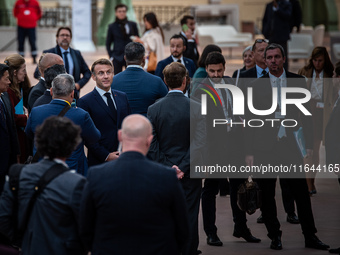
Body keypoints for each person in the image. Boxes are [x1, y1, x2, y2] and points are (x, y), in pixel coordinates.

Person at [244, 43, 329, 250]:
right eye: (269, 57)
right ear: (265, 60)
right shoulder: (256, 85)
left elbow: (306, 116)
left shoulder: (298, 81)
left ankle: (310, 236)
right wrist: (249, 151)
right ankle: (275, 236)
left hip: (291, 145)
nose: (273, 60)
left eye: (276, 57)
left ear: (283, 59)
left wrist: (308, 145)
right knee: (268, 194)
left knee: (301, 193)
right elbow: (249, 120)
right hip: (265, 148)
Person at [79, 114, 189, 255]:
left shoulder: (96, 175)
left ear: (120, 136)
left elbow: (85, 227)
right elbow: (182, 229)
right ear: (149, 140)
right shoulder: (167, 177)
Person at [192, 52, 261, 246]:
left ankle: (241, 227)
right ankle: (211, 232)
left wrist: (248, 150)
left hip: (235, 145)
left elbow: (243, 117)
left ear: (224, 67)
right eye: (212, 71)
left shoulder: (232, 84)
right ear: (206, 69)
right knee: (210, 190)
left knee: (238, 187)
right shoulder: (200, 91)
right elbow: (200, 128)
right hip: (214, 148)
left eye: (219, 70)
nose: (215, 74)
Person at [0, 116, 87, 255]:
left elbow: (3, 218)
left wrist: (23, 241)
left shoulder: (17, 174)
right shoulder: (77, 183)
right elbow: (85, 229)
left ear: (39, 141)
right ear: (72, 146)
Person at [148, 62, 205, 255]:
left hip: (163, 173)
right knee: (190, 214)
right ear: (185, 81)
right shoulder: (197, 107)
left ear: (165, 81)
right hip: (190, 172)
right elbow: (200, 142)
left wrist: (169, 168)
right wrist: (182, 167)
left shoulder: (153, 109)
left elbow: (152, 145)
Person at [240, 39, 299, 225]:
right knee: (266, 187)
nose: (271, 58)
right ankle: (268, 219)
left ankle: (292, 212)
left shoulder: (292, 80)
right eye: (264, 52)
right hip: (264, 143)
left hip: (287, 140)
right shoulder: (246, 77)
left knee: (290, 183)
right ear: (260, 56)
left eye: (274, 55)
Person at [25, 74, 100, 176]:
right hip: (73, 170)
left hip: (42, 170)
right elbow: (95, 137)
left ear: (51, 91)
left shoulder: (36, 111)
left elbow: (28, 134)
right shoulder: (81, 115)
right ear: (72, 94)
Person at [298, 46, 337, 195]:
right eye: (315, 60)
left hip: (323, 115)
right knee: (309, 149)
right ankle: (309, 184)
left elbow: (334, 95)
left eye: (320, 60)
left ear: (325, 60)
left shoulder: (329, 74)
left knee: (316, 149)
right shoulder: (305, 72)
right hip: (307, 114)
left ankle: (311, 181)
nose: (317, 63)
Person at [77, 58, 131, 166]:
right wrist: (106, 155)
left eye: (108, 72)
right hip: (100, 162)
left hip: (125, 158)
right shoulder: (85, 102)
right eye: (101, 73)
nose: (105, 76)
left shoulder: (122, 96)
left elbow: (129, 125)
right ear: (93, 77)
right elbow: (87, 136)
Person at [33, 27, 91, 99]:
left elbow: (87, 72)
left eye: (67, 35)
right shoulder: (49, 53)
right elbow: (37, 73)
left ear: (70, 38)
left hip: (73, 95)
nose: (65, 37)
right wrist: (51, 84)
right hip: (54, 95)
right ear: (57, 38)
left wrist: (79, 84)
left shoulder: (76, 54)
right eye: (62, 35)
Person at [111, 42, 167, 116]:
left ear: (125, 58)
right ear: (143, 59)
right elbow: (167, 105)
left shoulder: (112, 81)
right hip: (148, 125)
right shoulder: (156, 81)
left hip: (123, 126)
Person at [4, 54, 31, 164]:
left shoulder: (19, 88)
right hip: (16, 139)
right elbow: (12, 117)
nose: (25, 73)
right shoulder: (9, 91)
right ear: (15, 72)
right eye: (23, 70)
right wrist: (27, 117)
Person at [0, 64, 20, 194]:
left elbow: (11, 127)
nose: (9, 82)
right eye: (6, 78)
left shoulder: (5, 98)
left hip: (8, 162)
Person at [106, 4, 139, 75]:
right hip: (117, 56)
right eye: (120, 11)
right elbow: (108, 42)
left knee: (131, 75)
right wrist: (111, 56)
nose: (122, 13)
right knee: (117, 76)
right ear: (116, 13)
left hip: (131, 56)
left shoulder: (132, 25)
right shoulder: (112, 26)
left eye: (123, 11)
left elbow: (137, 39)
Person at [262, 0, 292, 70]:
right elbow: (265, 19)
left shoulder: (286, 4)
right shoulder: (269, 5)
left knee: (282, 55)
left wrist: (277, 8)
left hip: (282, 37)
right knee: (270, 55)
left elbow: (288, 16)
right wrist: (264, 31)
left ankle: (284, 73)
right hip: (271, 36)